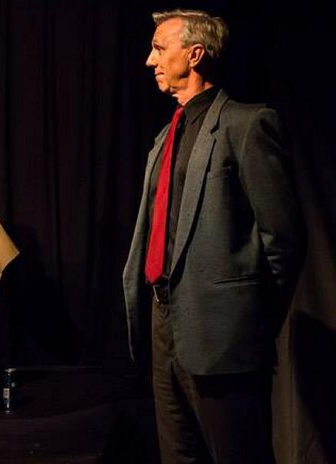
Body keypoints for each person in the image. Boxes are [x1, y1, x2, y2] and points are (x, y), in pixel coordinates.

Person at [122, 9, 303, 463]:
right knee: (178, 453)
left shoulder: (247, 124)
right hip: (163, 323)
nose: (150, 60)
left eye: (160, 48)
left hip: (222, 332)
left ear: (195, 54)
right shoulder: (165, 136)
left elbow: (281, 237)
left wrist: (245, 311)